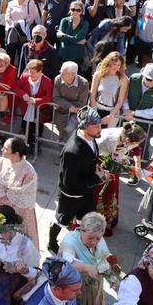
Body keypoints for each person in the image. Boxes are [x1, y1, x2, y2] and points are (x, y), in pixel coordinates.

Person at [59, 212, 116, 305]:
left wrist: (113, 279)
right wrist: (86, 268)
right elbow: (67, 260)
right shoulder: (70, 240)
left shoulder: (98, 239)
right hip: (76, 293)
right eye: (90, 238)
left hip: (94, 290)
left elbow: (104, 258)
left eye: (98, 238)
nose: (94, 242)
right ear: (81, 230)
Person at [52, 107, 103, 252]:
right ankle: (51, 241)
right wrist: (96, 178)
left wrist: (98, 167)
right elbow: (70, 183)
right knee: (62, 221)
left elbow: (90, 159)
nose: (100, 129)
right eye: (96, 126)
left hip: (86, 192)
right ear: (85, 127)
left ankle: (81, 243)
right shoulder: (73, 152)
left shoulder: (91, 138)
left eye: (100, 125)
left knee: (84, 220)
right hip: (71, 196)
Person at [93, 122, 147, 235]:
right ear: (127, 140)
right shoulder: (109, 140)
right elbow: (96, 155)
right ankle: (95, 223)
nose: (137, 144)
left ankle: (108, 221)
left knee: (111, 194)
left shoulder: (130, 138)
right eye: (135, 142)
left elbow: (136, 149)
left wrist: (137, 165)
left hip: (114, 166)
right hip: (99, 165)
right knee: (97, 194)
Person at [0, 137, 40, 245]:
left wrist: (8, 217)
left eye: (5, 149)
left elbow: (24, 198)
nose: (2, 150)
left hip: (17, 215)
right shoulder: (0, 162)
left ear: (16, 153)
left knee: (16, 244)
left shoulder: (29, 173)